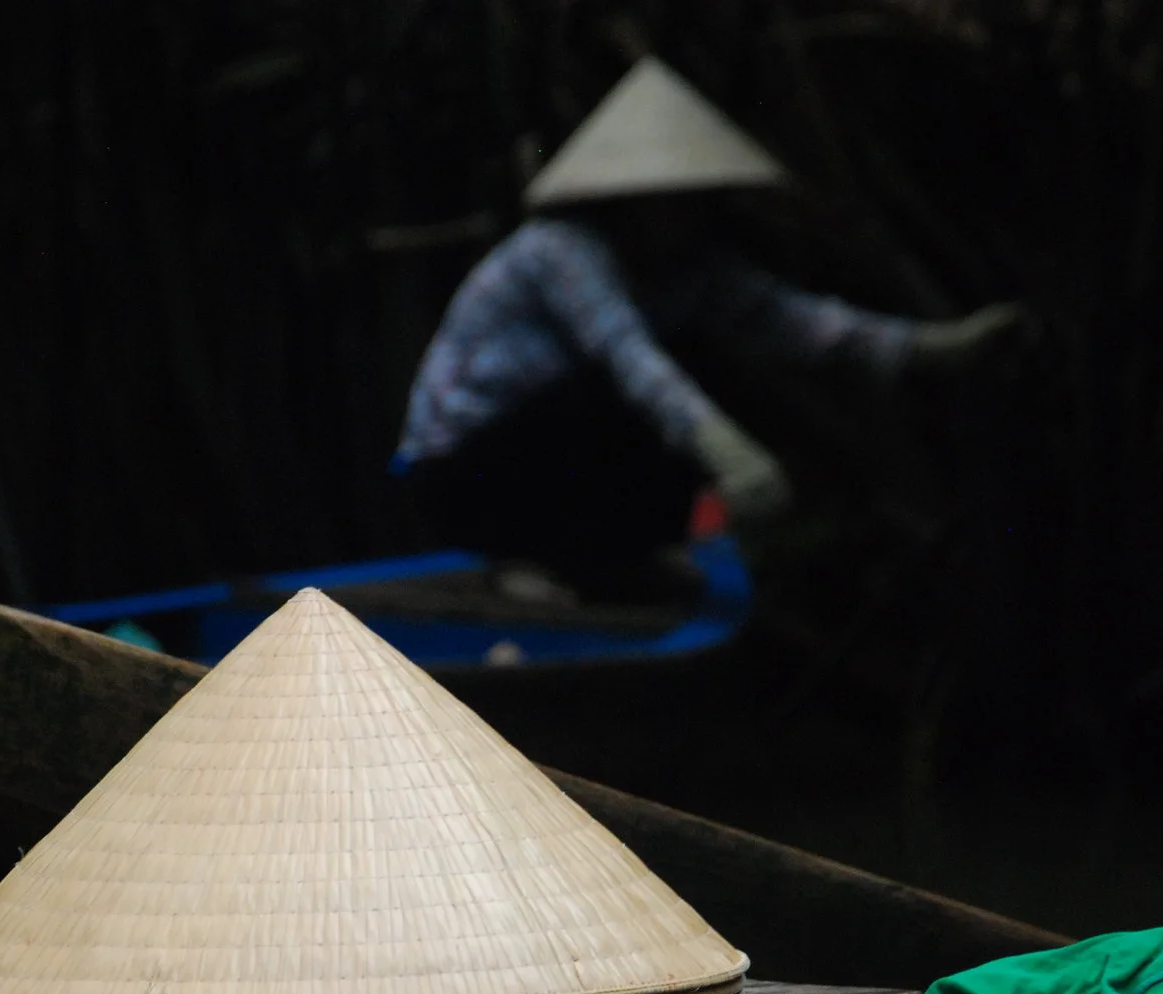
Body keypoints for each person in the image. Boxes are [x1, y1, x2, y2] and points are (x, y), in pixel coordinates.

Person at [395, 57, 1026, 601]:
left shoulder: (692, 272)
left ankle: (618, 563)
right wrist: (732, 456)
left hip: (535, 464)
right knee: (619, 394)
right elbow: (629, 356)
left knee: (693, 364)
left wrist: (937, 348)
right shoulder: (561, 251)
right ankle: (539, 560)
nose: (687, 212)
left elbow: (797, 322)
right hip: (462, 472)